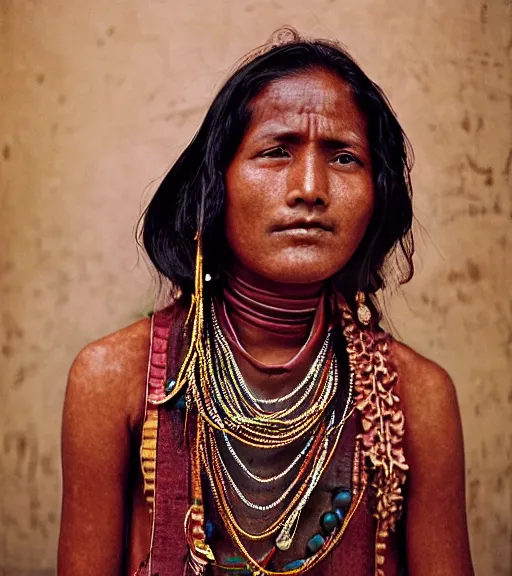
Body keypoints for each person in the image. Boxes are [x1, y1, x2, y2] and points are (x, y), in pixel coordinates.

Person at [58, 29, 475, 576]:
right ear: (217, 185)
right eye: (276, 151)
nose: (309, 188)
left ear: (377, 194)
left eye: (344, 157)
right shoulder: (112, 380)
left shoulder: (419, 399)